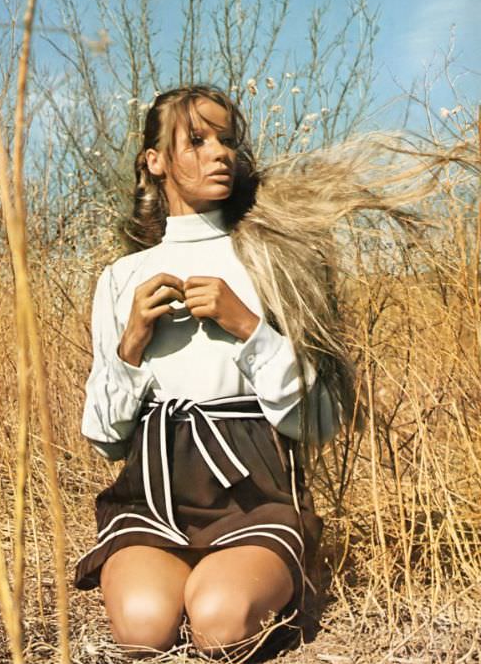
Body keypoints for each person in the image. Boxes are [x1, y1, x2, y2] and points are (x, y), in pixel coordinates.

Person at [73, 84, 361, 659]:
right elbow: (104, 440)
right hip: (153, 495)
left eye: (227, 141)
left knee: (219, 624)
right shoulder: (121, 278)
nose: (220, 154)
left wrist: (250, 328)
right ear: (154, 161)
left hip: (253, 492)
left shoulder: (270, 259)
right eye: (197, 141)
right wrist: (131, 344)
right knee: (143, 627)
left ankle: (273, 576)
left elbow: (319, 424)